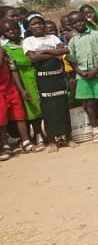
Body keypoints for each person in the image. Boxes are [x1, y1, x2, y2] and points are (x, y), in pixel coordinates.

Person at [23, 13, 74, 152]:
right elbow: (33, 57)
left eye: (40, 23)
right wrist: (53, 52)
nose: (38, 26)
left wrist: (44, 52)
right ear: (29, 27)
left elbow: (64, 50)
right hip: (43, 78)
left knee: (63, 106)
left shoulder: (52, 37)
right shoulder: (28, 41)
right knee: (48, 109)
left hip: (58, 76)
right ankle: (52, 141)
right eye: (34, 24)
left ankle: (69, 137)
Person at [66, 11, 98, 142]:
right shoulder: (72, 40)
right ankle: (95, 129)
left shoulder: (96, 34)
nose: (78, 24)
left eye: (80, 21)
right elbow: (71, 59)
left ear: (85, 20)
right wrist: (80, 72)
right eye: (74, 23)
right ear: (71, 25)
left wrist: (96, 70)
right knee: (88, 103)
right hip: (83, 77)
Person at [2, 19, 44, 150]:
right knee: (31, 109)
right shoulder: (6, 49)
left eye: (14, 28)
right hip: (22, 79)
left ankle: (41, 133)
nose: (12, 32)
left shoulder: (29, 41)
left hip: (39, 74)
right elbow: (13, 69)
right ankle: (35, 136)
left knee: (43, 105)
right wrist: (21, 89)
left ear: (19, 28)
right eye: (7, 31)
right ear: (3, 33)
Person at [0, 44, 30, 160]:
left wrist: (21, 90)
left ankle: (26, 141)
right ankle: (5, 144)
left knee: (19, 116)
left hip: (10, 89)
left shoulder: (6, 52)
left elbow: (13, 71)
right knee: (1, 120)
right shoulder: (3, 51)